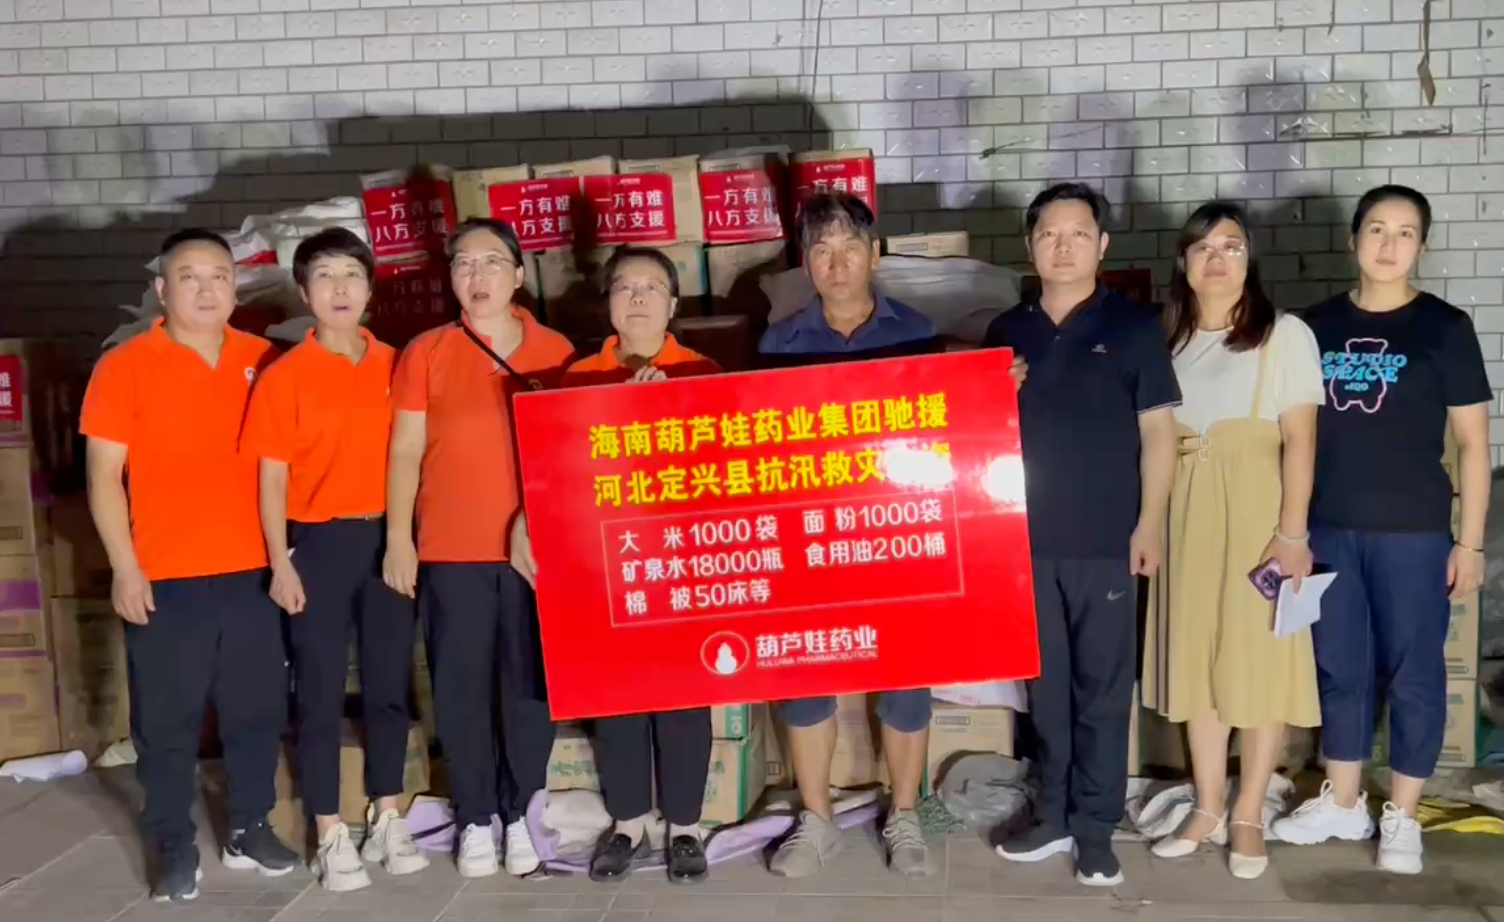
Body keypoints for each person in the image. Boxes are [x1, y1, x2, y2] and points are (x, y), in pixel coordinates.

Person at [1272, 186, 1491, 875]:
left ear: (1420, 246)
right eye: (1376, 229)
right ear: (1353, 240)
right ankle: (1343, 802)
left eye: (1404, 232)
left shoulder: (1445, 327)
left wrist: (1470, 542)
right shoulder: (1310, 327)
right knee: (1340, 667)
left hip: (1413, 532)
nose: (1389, 244)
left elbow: (1474, 444)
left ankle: (1402, 814)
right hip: (1329, 527)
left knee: (1414, 673)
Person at [81, 228, 299, 902]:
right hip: (165, 575)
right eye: (189, 277)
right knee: (167, 722)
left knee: (255, 710)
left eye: (219, 276)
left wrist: (285, 557)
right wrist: (125, 567)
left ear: (235, 288)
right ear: (161, 290)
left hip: (252, 573)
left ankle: (251, 825)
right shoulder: (124, 366)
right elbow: (103, 477)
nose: (206, 290)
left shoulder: (265, 361)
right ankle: (172, 839)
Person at [986, 183, 1179, 887]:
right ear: (1030, 246)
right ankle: (1052, 816)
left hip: (1106, 541)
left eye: (1077, 234)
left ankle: (1095, 829)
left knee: (1102, 691)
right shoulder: (1005, 332)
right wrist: (994, 392)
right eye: (1048, 234)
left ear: (1101, 246)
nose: (1062, 246)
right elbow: (976, 439)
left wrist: (1149, 523)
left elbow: (1159, 435)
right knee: (1047, 693)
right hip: (1026, 542)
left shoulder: (1133, 328)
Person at [513, 246, 720, 885]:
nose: (637, 298)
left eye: (652, 287)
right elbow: (557, 469)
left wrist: (663, 412)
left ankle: (684, 827)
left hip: (682, 557)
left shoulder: (703, 371)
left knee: (684, 691)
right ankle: (628, 822)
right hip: (604, 560)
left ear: (673, 303)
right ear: (607, 302)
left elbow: (724, 468)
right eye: (625, 287)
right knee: (618, 693)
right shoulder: (576, 378)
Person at [385, 218, 575, 879]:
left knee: (529, 689)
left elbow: (570, 451)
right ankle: (474, 817)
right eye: (464, 263)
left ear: (519, 275)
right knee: (461, 690)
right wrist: (399, 538)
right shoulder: (426, 352)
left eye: (493, 262)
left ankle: (520, 811)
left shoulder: (556, 351)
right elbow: (405, 449)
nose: (478, 275)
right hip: (450, 548)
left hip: (534, 554)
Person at [1140, 202, 1323, 880]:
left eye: (1232, 246)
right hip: (1186, 519)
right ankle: (1207, 806)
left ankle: (1248, 814)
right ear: (1183, 262)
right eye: (1204, 247)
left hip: (1258, 522)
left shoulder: (1284, 336)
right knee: (1199, 663)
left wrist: (1292, 532)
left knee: (1258, 665)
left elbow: (1301, 439)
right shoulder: (1168, 339)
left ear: (1251, 260)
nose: (1217, 259)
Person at [242, 228, 428, 891]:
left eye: (351, 275)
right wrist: (279, 563)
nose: (340, 288)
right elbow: (269, 479)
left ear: (370, 289)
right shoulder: (284, 377)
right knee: (318, 692)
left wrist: (405, 538)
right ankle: (328, 829)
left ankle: (386, 814)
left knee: (387, 687)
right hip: (316, 546)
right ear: (304, 292)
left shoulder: (399, 367)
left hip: (389, 541)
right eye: (324, 276)